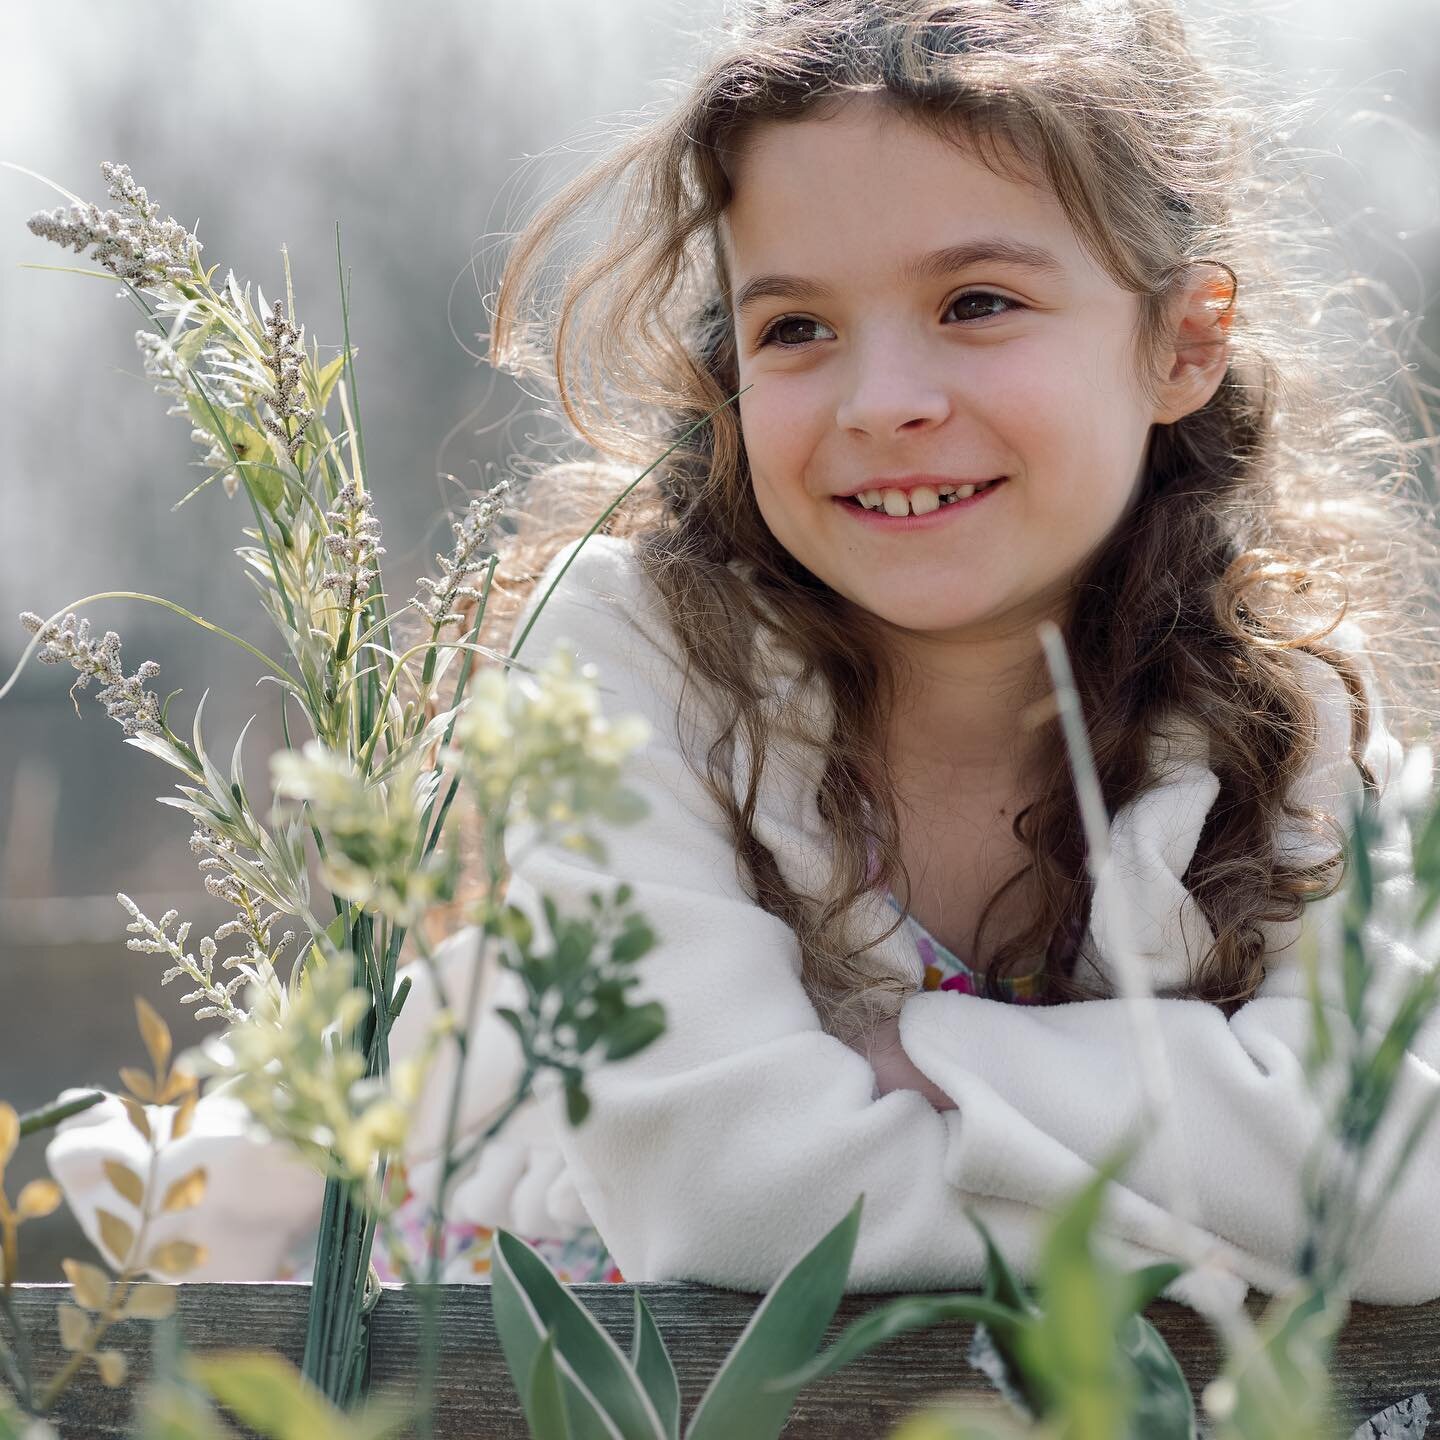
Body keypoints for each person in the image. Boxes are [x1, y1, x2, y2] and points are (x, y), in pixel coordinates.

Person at [48, 0, 1440, 1312]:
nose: (883, 402)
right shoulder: (622, 671)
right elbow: (728, 1207)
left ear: (1183, 342)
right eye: (798, 329)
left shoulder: (1284, 718)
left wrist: (914, 1062)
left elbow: (1404, 1194)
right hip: (514, 1383)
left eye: (977, 304)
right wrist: (1221, 1222)